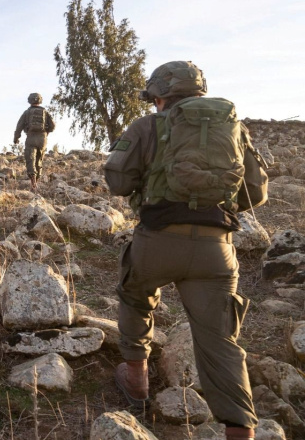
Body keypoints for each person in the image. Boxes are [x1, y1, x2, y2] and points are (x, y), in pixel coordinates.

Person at [104, 61, 268, 440]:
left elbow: (117, 180)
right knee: (220, 341)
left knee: (134, 292)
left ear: (159, 96)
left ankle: (136, 377)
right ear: (200, 91)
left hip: (157, 240)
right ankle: (240, 430)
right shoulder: (233, 128)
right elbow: (255, 193)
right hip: (216, 251)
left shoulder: (147, 125)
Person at [13, 92, 55, 190]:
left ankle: (33, 183)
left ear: (29, 100)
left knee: (30, 159)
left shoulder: (27, 112)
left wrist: (16, 138)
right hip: (42, 138)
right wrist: (46, 133)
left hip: (31, 137)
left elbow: (19, 126)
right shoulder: (45, 112)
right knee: (39, 160)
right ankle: (37, 180)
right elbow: (53, 126)